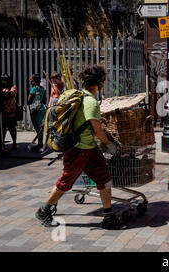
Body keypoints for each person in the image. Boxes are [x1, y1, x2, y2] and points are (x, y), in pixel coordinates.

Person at [35, 65, 121, 230]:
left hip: (89, 149)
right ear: (100, 83)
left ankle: (108, 215)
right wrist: (110, 145)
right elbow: (98, 131)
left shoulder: (80, 95)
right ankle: (43, 210)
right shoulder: (90, 102)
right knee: (66, 181)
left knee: (104, 179)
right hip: (79, 149)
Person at [27, 74, 47, 152]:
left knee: (38, 128)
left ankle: (40, 144)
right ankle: (40, 143)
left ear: (34, 81)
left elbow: (29, 101)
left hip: (35, 111)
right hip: (41, 110)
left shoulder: (33, 89)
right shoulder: (43, 89)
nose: (30, 81)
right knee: (40, 127)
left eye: (31, 80)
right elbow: (44, 101)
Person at [0, 74, 18, 151]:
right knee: (3, 129)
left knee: (12, 128)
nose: (4, 81)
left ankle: (14, 143)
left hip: (11, 112)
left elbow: (11, 94)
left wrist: (4, 92)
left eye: (5, 80)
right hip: (3, 112)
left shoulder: (13, 87)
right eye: (2, 80)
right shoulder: (1, 88)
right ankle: (2, 143)